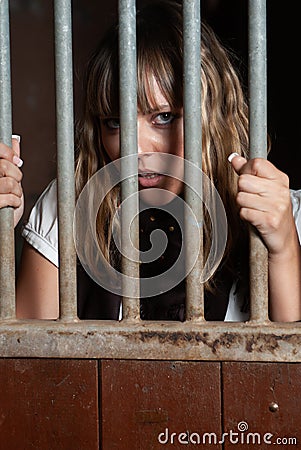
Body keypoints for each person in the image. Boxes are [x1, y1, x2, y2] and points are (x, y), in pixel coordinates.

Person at [0, 0, 300, 322]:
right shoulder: (68, 206)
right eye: (114, 122)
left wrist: (282, 249)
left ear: (212, 117)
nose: (135, 148)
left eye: (164, 117)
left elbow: (284, 367)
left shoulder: (282, 213)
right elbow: (26, 363)